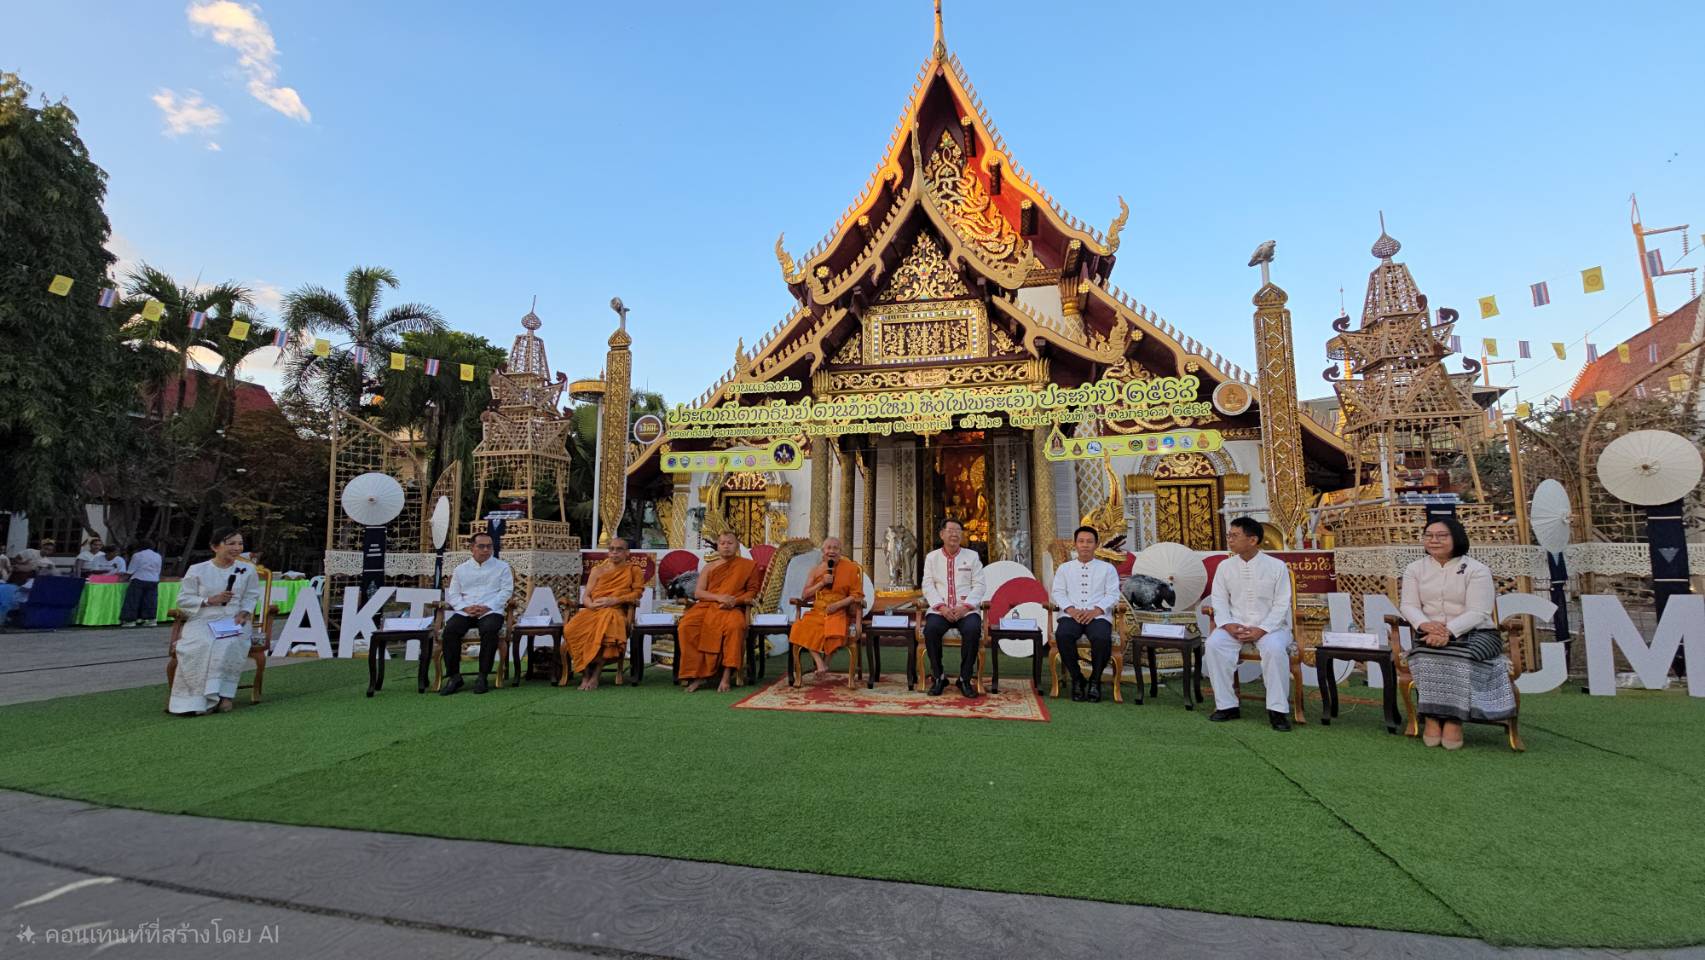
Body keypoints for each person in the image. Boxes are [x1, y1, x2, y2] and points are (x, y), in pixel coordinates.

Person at [1400, 517, 1506, 750]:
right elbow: (1408, 605)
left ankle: (1453, 720)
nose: (1434, 540)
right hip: (1430, 633)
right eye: (1429, 535)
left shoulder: (1476, 570)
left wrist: (1448, 632)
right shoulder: (1415, 569)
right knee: (1423, 655)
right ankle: (1431, 717)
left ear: (1456, 537)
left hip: (1478, 634)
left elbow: (1479, 611)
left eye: (1442, 536)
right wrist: (1424, 625)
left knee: (1456, 655)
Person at [1203, 516, 1295, 731]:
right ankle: (1227, 705)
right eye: (1229, 535)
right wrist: (1227, 625)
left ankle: (1278, 711)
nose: (1230, 540)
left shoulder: (1277, 567)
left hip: (1272, 628)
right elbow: (1219, 600)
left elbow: (1282, 604)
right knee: (1214, 644)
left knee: (1274, 649)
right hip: (1234, 626)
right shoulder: (1225, 566)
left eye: (1234, 536)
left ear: (1252, 540)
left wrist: (1262, 629)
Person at [169, 528, 261, 715]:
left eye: (240, 543)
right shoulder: (197, 570)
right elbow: (184, 599)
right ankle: (192, 701)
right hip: (202, 618)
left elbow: (251, 596)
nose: (237, 548)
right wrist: (209, 600)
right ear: (215, 547)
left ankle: (223, 695)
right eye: (231, 544)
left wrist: (244, 613)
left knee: (225, 643)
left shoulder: (247, 569)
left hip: (233, 619)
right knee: (198, 644)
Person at [677, 531, 761, 693]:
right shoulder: (709, 567)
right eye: (722, 543)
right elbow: (698, 593)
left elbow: (752, 592)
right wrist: (719, 597)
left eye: (730, 543)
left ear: (737, 546)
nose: (726, 547)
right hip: (708, 606)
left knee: (735, 627)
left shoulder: (748, 566)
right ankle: (697, 674)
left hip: (733, 608)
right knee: (686, 626)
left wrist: (735, 601)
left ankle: (726, 675)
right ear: (717, 546)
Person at [1050, 525, 1122, 702]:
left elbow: (1113, 594)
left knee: (1101, 637)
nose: (1085, 545)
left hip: (1098, 615)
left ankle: (1095, 681)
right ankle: (1077, 679)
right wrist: (1071, 610)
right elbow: (1058, 592)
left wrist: (1096, 610)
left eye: (1089, 542)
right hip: (1071, 614)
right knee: (1063, 635)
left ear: (1096, 544)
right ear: (1075, 544)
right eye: (1081, 541)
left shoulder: (1107, 569)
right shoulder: (1064, 568)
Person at [563, 537, 645, 690]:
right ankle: (585, 674)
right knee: (570, 629)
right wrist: (590, 604)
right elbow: (586, 595)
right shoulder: (597, 570)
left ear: (627, 553)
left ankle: (596, 675)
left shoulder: (633, 570)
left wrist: (614, 600)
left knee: (606, 628)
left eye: (619, 549)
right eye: (611, 549)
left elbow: (637, 594)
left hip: (615, 611)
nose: (614, 552)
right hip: (593, 610)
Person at [438, 531, 513, 695]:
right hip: (466, 610)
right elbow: (453, 594)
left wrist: (488, 606)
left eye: (489, 546)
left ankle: (483, 676)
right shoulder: (461, 569)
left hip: (491, 610)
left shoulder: (502, 567)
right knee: (450, 630)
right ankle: (454, 677)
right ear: (472, 548)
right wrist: (465, 607)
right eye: (481, 546)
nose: (486, 550)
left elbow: (506, 591)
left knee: (490, 629)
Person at [920, 518, 985, 698]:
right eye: (950, 530)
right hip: (940, 610)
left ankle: (964, 678)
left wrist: (965, 607)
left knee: (972, 629)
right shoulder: (932, 557)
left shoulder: (972, 556)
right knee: (931, 630)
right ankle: (939, 676)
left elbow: (979, 585)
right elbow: (927, 585)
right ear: (942, 534)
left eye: (958, 530)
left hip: (966, 610)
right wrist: (941, 607)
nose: (954, 534)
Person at [789, 536, 864, 682]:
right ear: (823, 551)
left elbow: (857, 595)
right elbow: (805, 595)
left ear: (840, 551)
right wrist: (821, 583)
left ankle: (825, 663)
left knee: (835, 631)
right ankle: (820, 663)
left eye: (835, 548)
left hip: (839, 611)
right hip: (817, 611)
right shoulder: (816, 570)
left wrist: (837, 605)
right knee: (799, 627)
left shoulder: (850, 568)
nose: (832, 551)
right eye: (829, 548)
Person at [122, 540, 164, 627]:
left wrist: (124, 578)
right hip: (153, 580)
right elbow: (158, 570)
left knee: (133, 600)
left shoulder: (137, 555)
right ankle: (151, 619)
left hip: (139, 579)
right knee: (150, 601)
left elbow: (131, 570)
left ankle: (130, 620)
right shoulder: (157, 556)